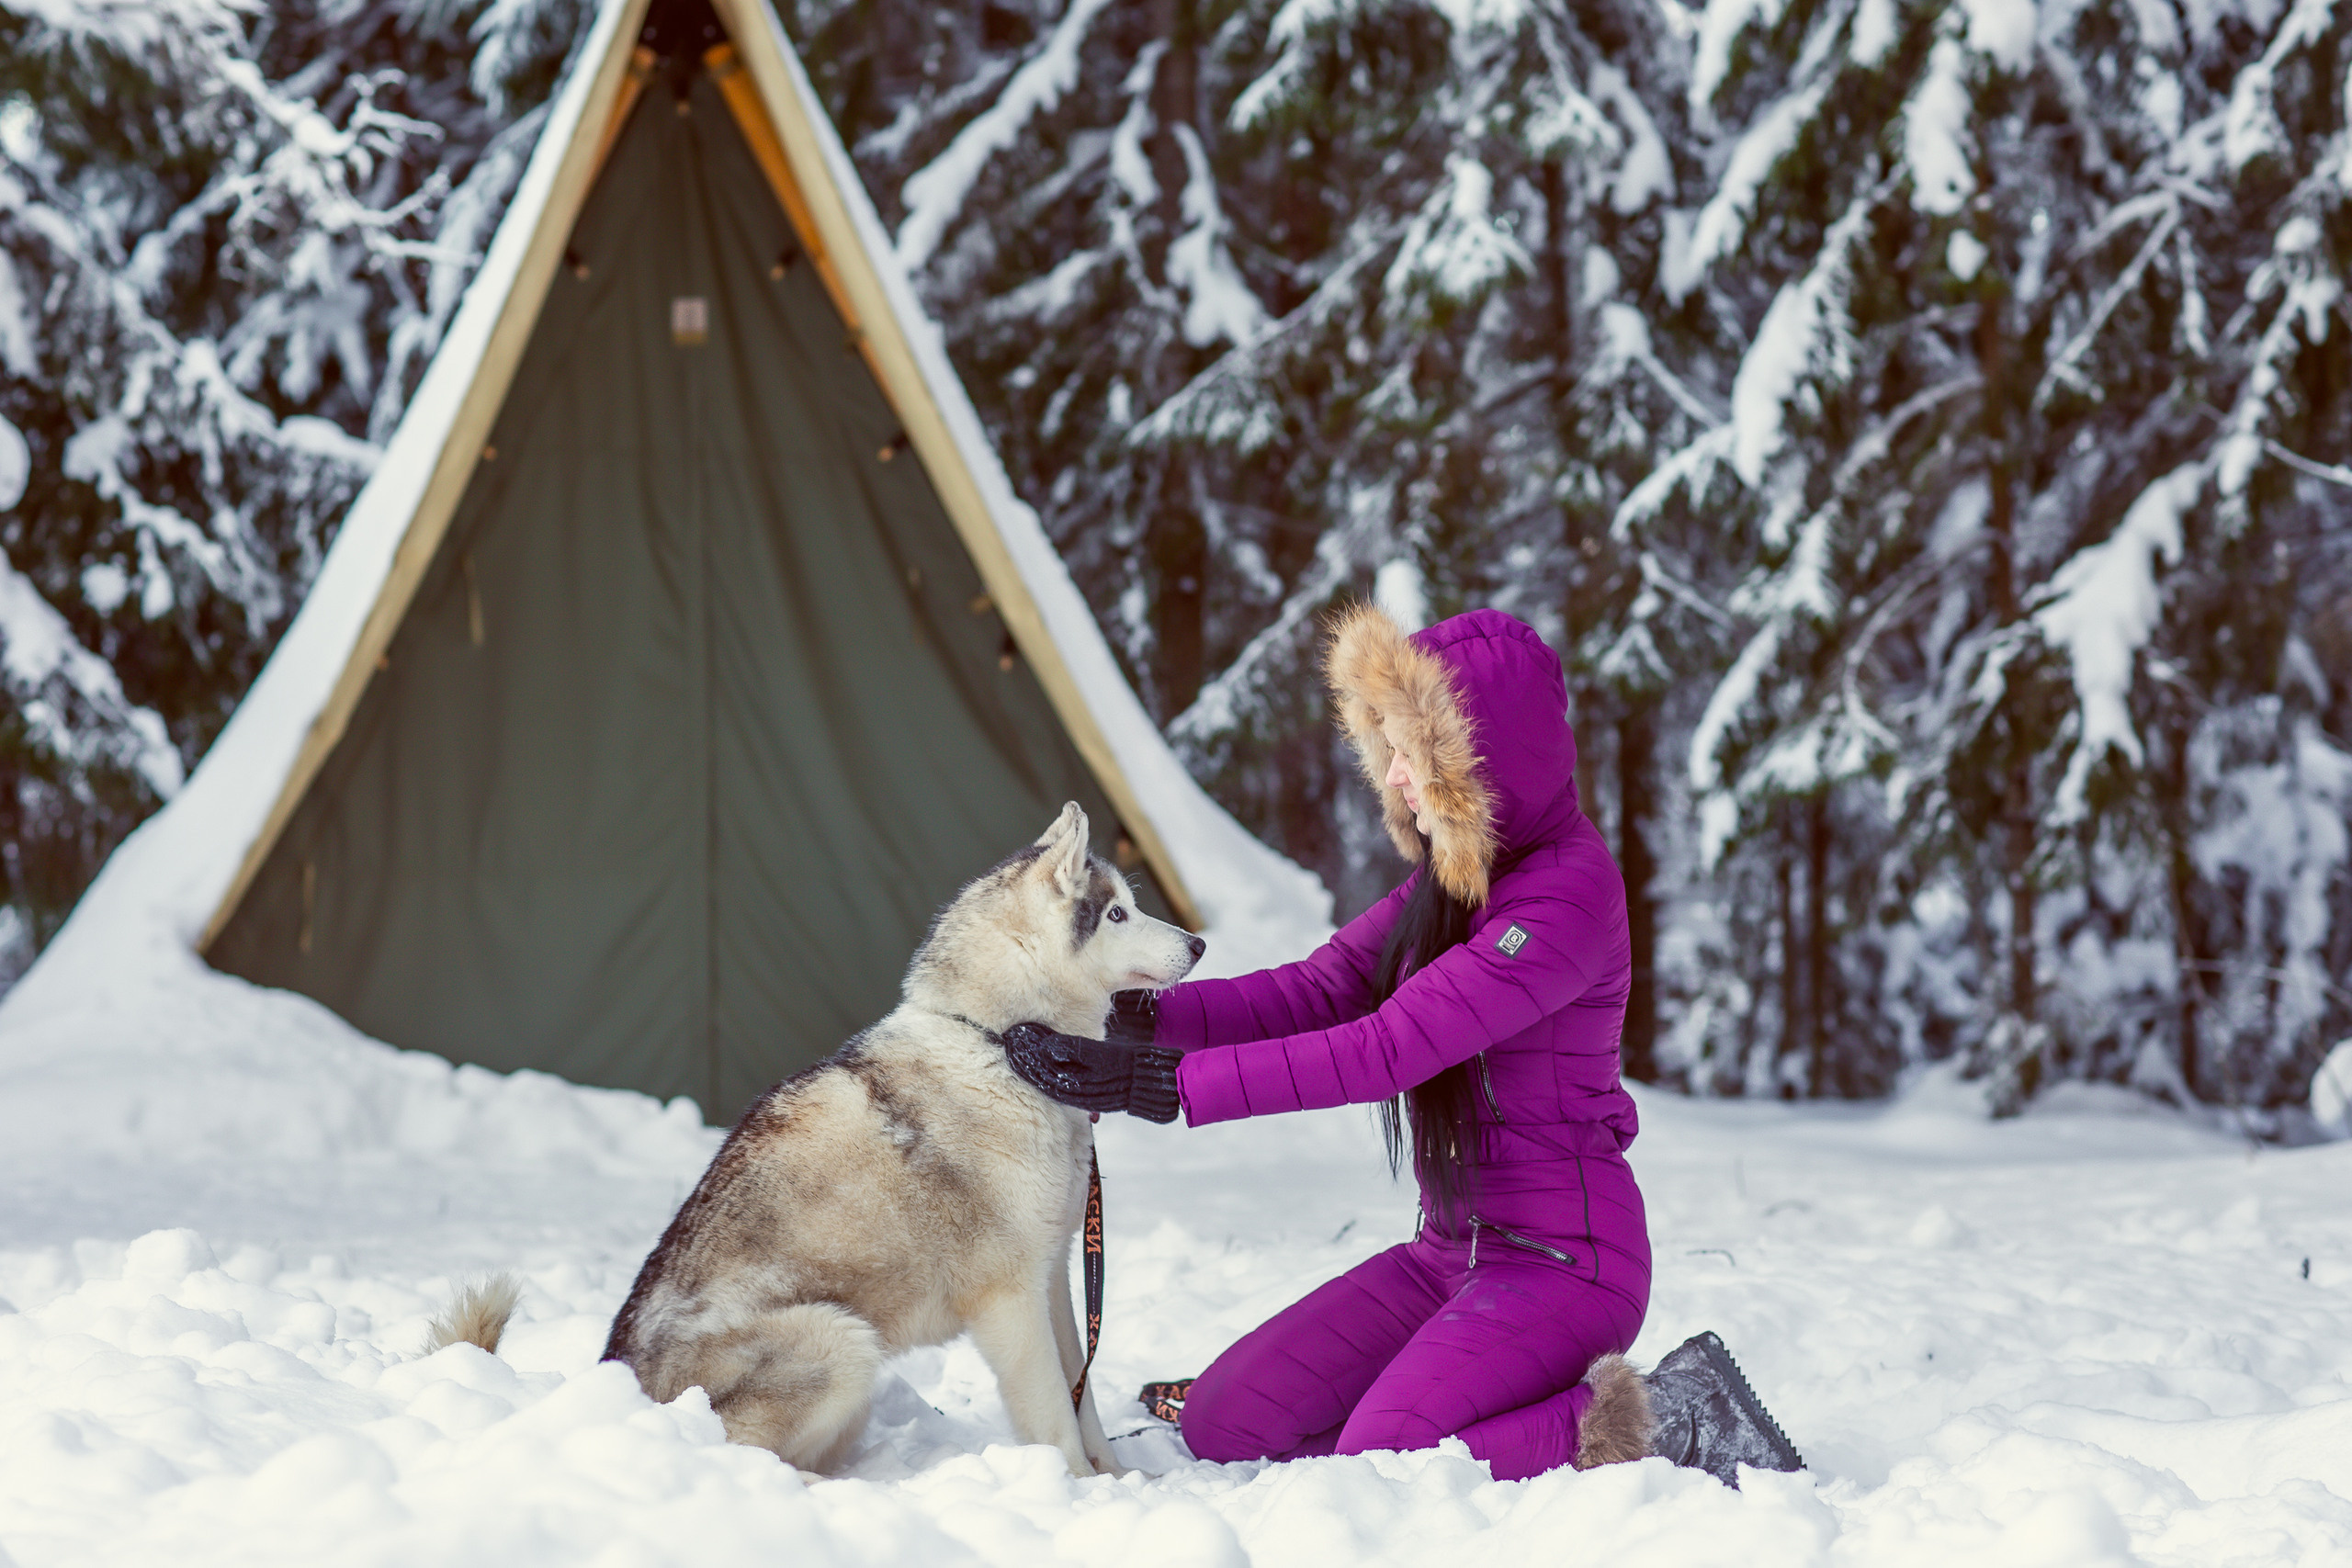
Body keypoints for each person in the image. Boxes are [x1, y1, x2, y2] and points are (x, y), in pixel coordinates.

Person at [1004, 604, 1800, 1485]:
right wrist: (1128, 1015)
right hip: (1445, 1256)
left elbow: (1389, 1047)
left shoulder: (1568, 898)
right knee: (1226, 1422)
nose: (1393, 775)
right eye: (1388, 749)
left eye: (1410, 753)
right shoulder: (1451, 882)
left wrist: (1162, 1086)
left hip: (1565, 1267)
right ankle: (1457, 1402)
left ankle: (1664, 1414)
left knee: (1386, 1459)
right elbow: (1318, 990)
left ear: (1476, 758)